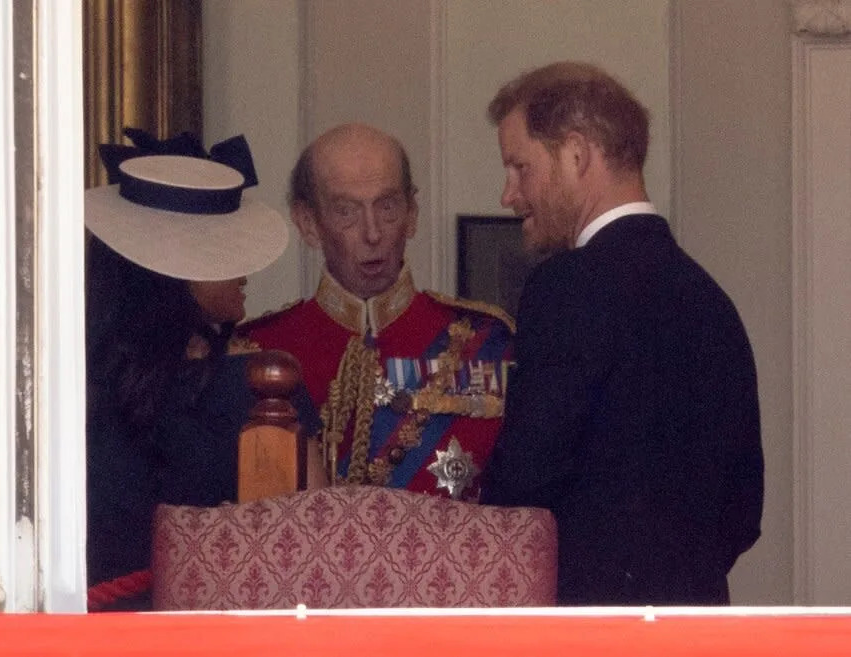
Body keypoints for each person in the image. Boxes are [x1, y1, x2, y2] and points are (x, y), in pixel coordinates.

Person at [479, 62, 764, 605]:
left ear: (577, 154)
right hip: (700, 629)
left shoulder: (566, 285)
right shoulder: (713, 301)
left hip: (588, 628)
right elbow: (743, 511)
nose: (508, 194)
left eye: (520, 167)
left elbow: (522, 483)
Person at [85, 129, 321, 610]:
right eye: (224, 248)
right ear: (176, 267)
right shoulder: (260, 386)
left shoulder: (72, 386)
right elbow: (311, 560)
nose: (244, 269)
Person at [238, 123, 514, 500]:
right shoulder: (257, 350)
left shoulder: (486, 341)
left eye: (387, 207)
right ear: (308, 223)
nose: (373, 233)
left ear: (412, 213)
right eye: (346, 212)